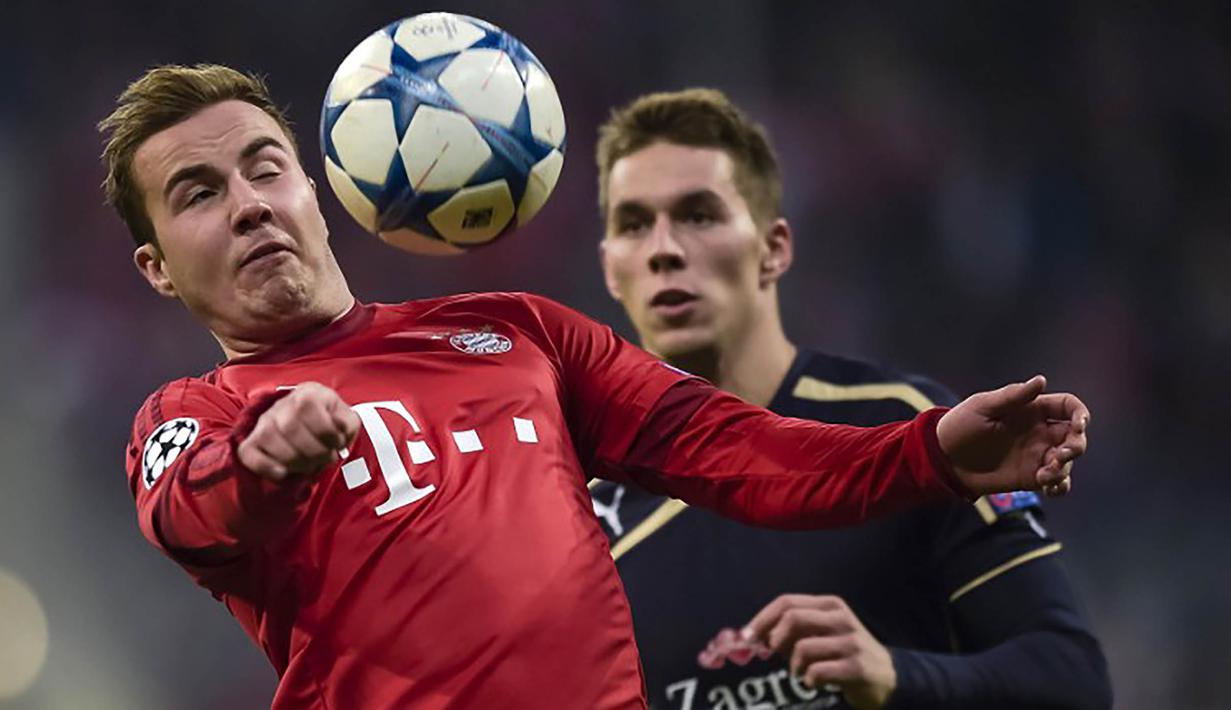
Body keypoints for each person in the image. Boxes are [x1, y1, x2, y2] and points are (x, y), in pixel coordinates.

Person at [99, 65, 1088, 710]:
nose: (247, 205)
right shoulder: (193, 415)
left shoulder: (519, 332)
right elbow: (192, 509)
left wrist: (929, 454)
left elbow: (741, 451)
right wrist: (267, 458)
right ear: (154, 266)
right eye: (199, 192)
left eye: (264, 169)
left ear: (315, 188)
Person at [591, 88, 1111, 709]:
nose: (664, 249)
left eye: (699, 215)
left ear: (774, 247)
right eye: (634, 224)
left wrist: (896, 675)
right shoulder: (585, 527)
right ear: (609, 268)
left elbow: (1072, 679)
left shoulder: (908, 431)